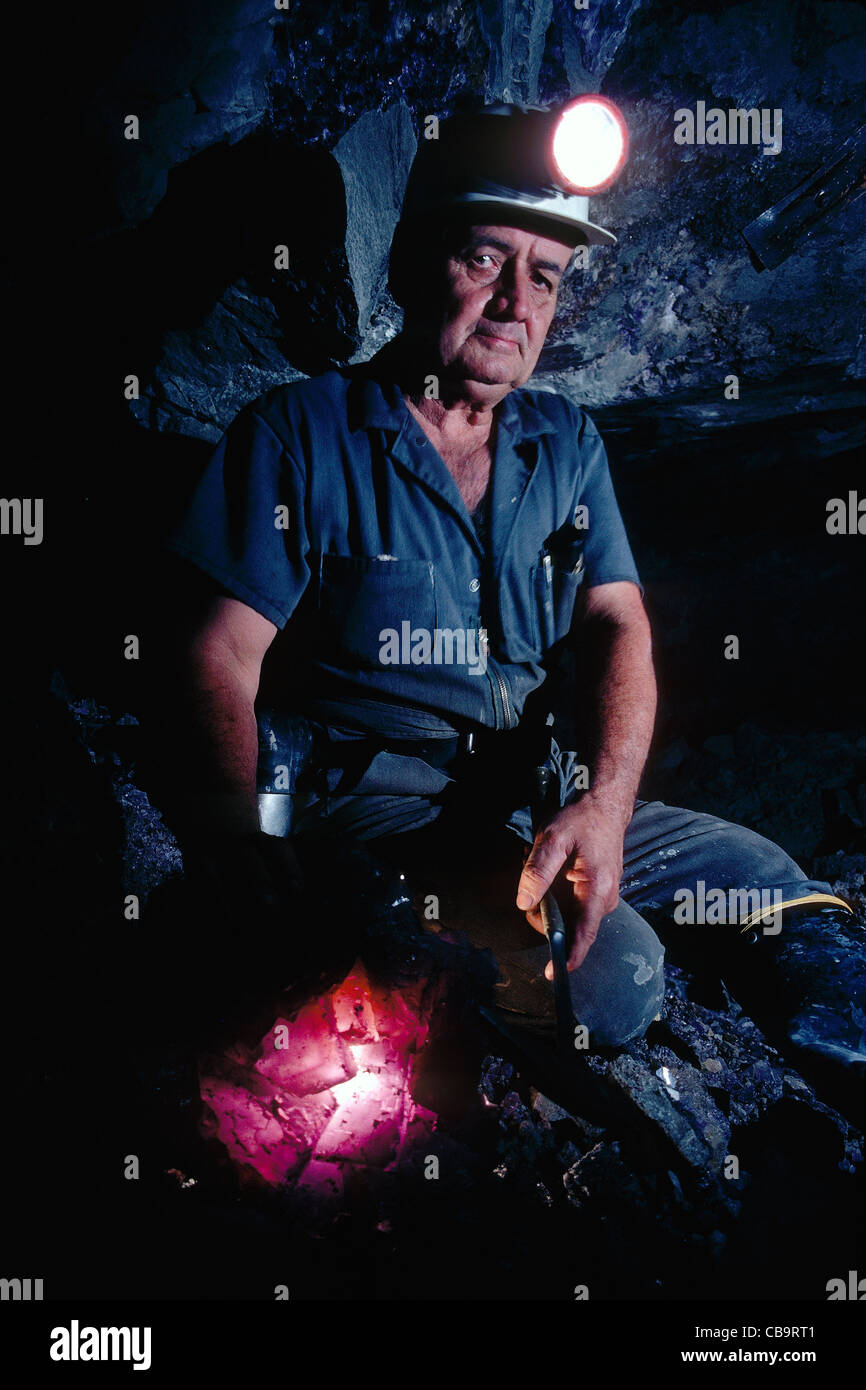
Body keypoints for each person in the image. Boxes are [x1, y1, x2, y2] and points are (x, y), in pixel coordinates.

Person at [159, 105, 863, 1068]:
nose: (515, 304)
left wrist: (607, 806)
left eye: (546, 278)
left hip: (539, 797)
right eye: (485, 260)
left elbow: (620, 624)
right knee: (612, 980)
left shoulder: (565, 443)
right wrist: (239, 834)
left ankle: (836, 1058)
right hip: (385, 809)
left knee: (766, 880)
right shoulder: (300, 436)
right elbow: (216, 653)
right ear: (411, 265)